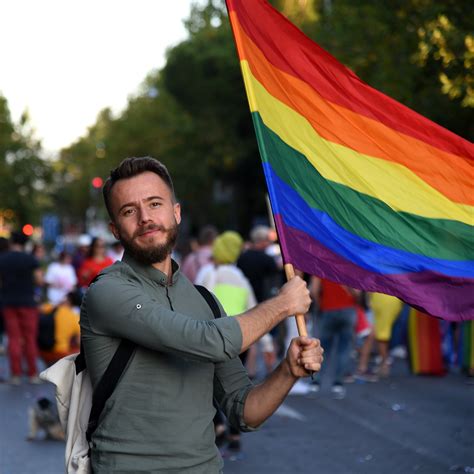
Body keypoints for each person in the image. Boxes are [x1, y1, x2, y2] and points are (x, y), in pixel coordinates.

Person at [81, 156, 323, 473]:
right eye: (129, 211)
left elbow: (243, 411)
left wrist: (288, 371)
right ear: (115, 229)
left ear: (176, 212)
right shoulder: (107, 291)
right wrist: (281, 304)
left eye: (155, 204)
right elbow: (209, 341)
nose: (145, 218)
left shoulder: (204, 301)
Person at [0, 231, 43, 384]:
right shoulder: (30, 259)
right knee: (30, 338)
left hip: (8, 302)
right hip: (28, 302)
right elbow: (39, 280)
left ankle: (15, 375)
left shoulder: (3, 259)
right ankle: (32, 374)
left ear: (12, 242)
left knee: (13, 339)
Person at [309, 277, 358, 399]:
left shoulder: (321, 266)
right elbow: (357, 292)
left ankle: (316, 381)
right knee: (344, 348)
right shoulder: (350, 265)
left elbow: (314, 290)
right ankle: (338, 383)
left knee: (323, 348)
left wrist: (320, 304)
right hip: (348, 309)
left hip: (328, 309)